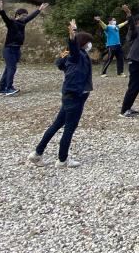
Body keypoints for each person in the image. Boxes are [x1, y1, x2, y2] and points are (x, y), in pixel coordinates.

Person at [28, 19, 92, 168]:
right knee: (69, 128)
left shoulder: (69, 53)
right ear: (83, 43)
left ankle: (37, 154)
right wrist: (72, 35)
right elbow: (70, 51)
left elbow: (58, 62)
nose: (90, 45)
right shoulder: (76, 54)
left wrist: (67, 61)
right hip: (75, 96)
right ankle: (62, 160)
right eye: (89, 42)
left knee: (57, 125)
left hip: (69, 95)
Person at [0, 0, 48, 96]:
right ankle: (8, 88)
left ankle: (2, 89)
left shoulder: (23, 23)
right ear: (17, 16)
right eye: (23, 16)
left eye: (25, 16)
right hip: (9, 49)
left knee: (9, 68)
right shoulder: (11, 22)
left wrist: (39, 9)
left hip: (17, 49)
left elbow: (31, 17)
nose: (25, 17)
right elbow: (4, 17)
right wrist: (1, 9)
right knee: (12, 68)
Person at [120, 0, 139, 118]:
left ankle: (128, 107)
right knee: (133, 86)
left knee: (137, 86)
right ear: (138, 22)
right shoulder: (134, 30)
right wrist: (128, 13)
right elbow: (132, 22)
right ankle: (124, 110)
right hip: (136, 62)